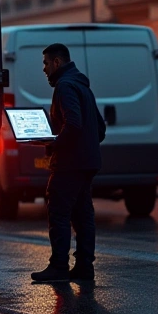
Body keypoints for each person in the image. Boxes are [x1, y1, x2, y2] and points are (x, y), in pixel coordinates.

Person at [32, 43, 106, 284]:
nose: (43, 69)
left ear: (57, 62)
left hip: (69, 164)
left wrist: (55, 144)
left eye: (45, 63)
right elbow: (100, 127)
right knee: (83, 214)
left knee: (59, 212)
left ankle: (59, 266)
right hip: (87, 162)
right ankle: (84, 266)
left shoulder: (64, 86)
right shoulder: (82, 85)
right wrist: (87, 146)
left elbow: (73, 123)